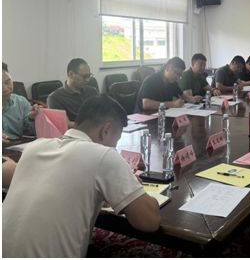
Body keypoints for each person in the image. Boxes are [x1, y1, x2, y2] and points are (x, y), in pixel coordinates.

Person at [2, 95, 160, 257]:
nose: (114, 146)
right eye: (116, 140)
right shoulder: (103, 155)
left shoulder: (34, 147)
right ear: (106, 130)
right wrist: (132, 182)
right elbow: (149, 221)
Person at [135, 57, 199, 113]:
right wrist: (172, 104)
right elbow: (146, 104)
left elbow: (183, 96)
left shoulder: (172, 82)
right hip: (144, 116)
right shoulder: (151, 80)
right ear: (167, 68)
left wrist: (192, 99)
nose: (177, 77)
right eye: (176, 73)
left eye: (180, 75)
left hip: (162, 114)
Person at [2, 62, 37, 142]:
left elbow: (32, 133)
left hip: (18, 145)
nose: (5, 89)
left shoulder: (21, 102)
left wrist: (31, 118)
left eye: (7, 82)